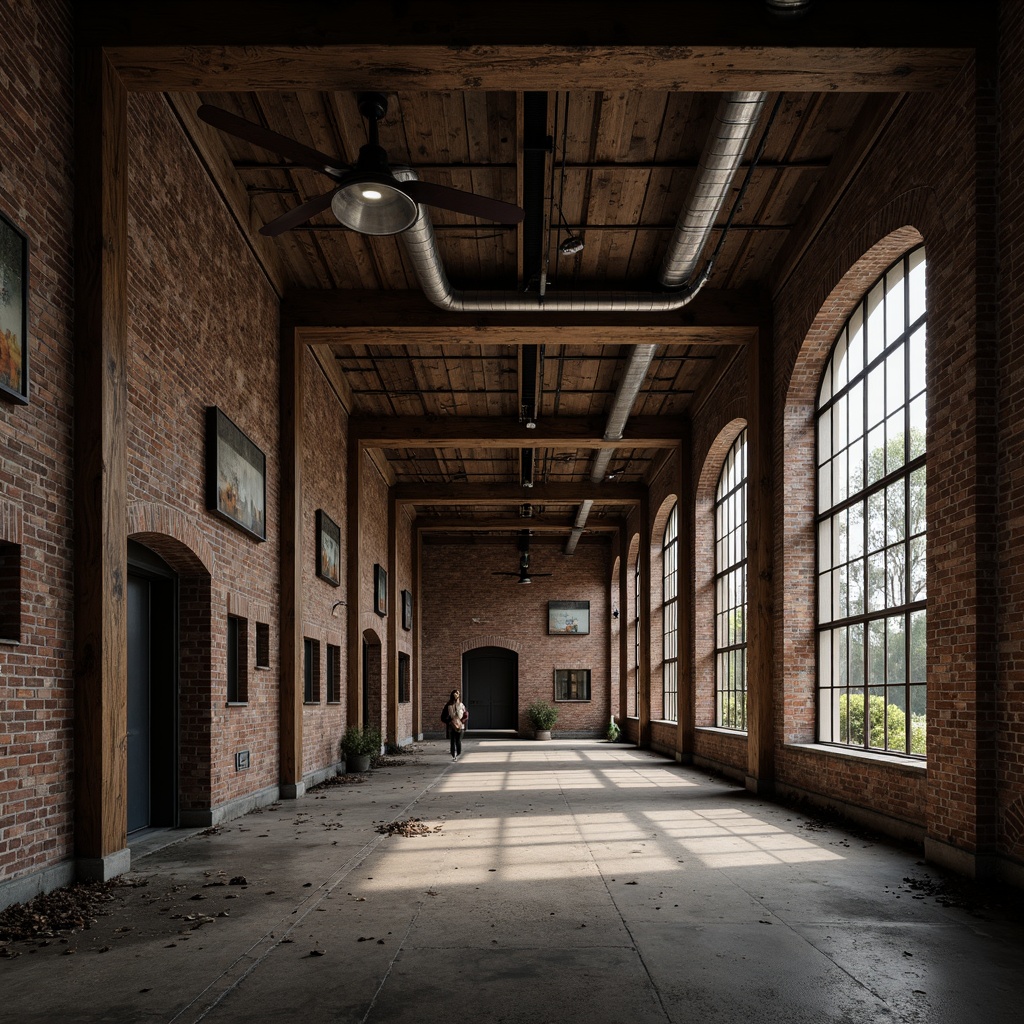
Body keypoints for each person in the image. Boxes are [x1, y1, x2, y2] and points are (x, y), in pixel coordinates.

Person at [444, 688, 468, 762]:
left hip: (460, 726)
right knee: (453, 741)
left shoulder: (461, 705)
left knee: (457, 741)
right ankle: (454, 755)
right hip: (452, 726)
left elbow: (466, 714)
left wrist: (461, 721)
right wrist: (450, 721)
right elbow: (443, 716)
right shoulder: (448, 706)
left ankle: (457, 754)